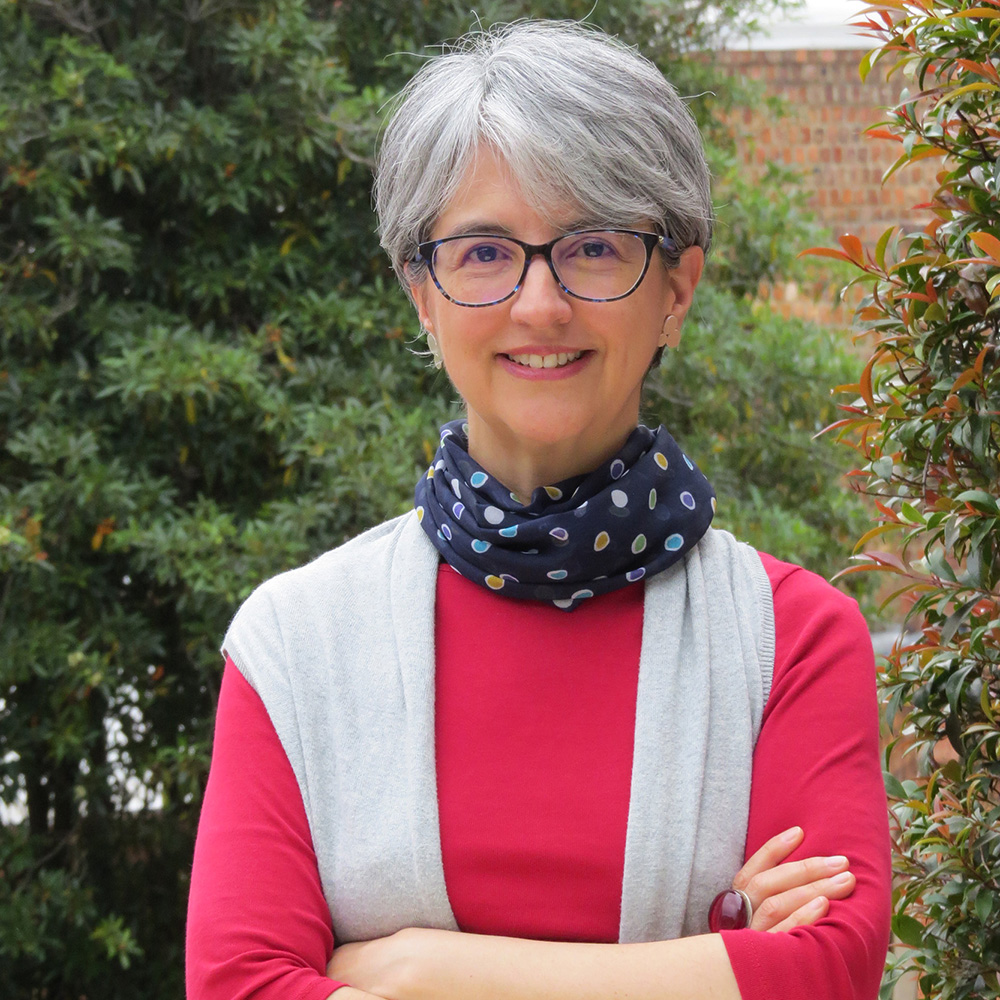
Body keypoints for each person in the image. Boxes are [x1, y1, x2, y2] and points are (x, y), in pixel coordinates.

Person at [185, 19, 891, 1000]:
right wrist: (711, 959)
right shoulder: (297, 646)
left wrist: (418, 970)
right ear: (422, 295)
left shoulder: (791, 642)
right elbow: (239, 985)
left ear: (677, 289)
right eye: (483, 253)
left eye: (593, 247)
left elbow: (826, 974)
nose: (540, 304)